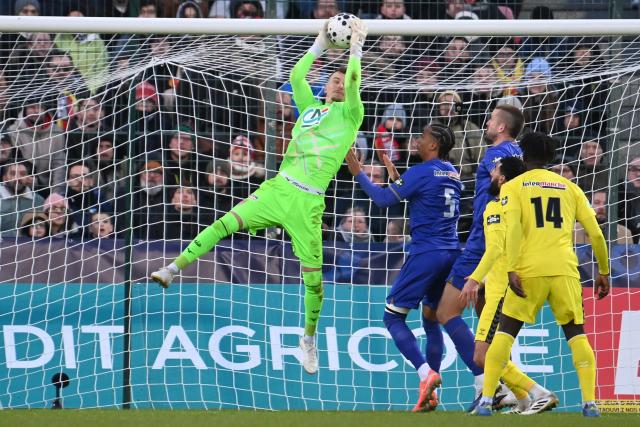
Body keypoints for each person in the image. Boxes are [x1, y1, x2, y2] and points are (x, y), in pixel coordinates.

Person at [150, 18, 368, 375]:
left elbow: (356, 83)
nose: (340, 82)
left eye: (344, 80)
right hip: (278, 187)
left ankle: (309, 340)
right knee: (224, 224)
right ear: (326, 86)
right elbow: (297, 77)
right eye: (334, 78)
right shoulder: (310, 108)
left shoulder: (350, 114)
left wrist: (356, 48)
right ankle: (173, 268)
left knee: (313, 281)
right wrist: (318, 43)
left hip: (308, 203)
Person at [472, 132, 610, 417]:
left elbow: (511, 229)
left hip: (527, 271)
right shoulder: (570, 188)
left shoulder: (515, 185)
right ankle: (589, 404)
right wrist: (604, 271)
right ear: (551, 158)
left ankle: (486, 401)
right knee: (576, 335)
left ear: (523, 156)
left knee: (505, 334)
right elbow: (596, 232)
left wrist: (511, 268)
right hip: (565, 271)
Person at [345, 123, 460, 412]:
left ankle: (425, 373)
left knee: (392, 318)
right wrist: (398, 178)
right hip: (450, 253)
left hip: (426, 252)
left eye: (422, 137)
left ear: (433, 145)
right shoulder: (452, 172)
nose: (416, 141)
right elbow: (424, 198)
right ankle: (432, 396)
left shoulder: (422, 171)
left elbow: (383, 200)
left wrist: (358, 172)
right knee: (431, 320)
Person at [440, 104, 524, 406]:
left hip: (483, 241)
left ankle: (487, 385)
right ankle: (508, 390)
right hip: (499, 240)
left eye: (490, 121)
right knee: (491, 324)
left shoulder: (498, 156)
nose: (486, 124)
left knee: (446, 311)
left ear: (501, 127)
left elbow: (506, 190)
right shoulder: (518, 153)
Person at [460, 157, 555, 414]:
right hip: (511, 284)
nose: (491, 174)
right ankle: (523, 399)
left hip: (502, 288)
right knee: (497, 351)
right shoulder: (524, 204)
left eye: (495, 170)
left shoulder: (497, 206)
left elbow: (496, 250)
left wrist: (474, 279)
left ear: (502, 179)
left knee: (482, 355)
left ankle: (538, 393)